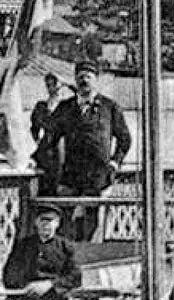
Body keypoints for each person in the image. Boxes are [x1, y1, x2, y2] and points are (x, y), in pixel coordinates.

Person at [50, 60, 131, 241]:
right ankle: (67, 252)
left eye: (88, 77)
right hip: (71, 175)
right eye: (80, 77)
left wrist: (115, 163)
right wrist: (45, 163)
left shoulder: (109, 107)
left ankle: (91, 251)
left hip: (98, 176)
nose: (84, 81)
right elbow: (50, 138)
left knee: (93, 222)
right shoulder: (65, 107)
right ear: (75, 80)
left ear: (96, 80)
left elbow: (125, 139)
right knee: (64, 220)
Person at [0, 205, 81, 300]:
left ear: (57, 224)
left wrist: (50, 284)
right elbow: (9, 273)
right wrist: (25, 286)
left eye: (50, 221)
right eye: (42, 220)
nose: (45, 225)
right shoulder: (23, 245)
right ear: (36, 222)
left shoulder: (65, 247)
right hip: (23, 298)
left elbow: (75, 276)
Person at [28, 71, 70, 197]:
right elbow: (34, 129)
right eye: (48, 85)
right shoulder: (41, 106)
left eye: (54, 84)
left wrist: (68, 84)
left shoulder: (67, 106)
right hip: (46, 150)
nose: (51, 88)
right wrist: (38, 143)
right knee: (44, 184)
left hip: (63, 151)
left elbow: (81, 96)